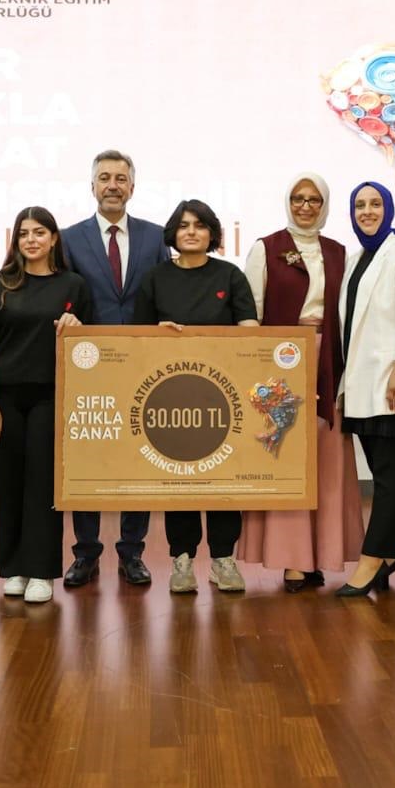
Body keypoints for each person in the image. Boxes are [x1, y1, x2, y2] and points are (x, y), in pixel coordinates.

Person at [238, 173, 363, 591]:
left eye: (313, 200)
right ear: (288, 202)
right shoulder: (266, 248)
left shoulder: (339, 252)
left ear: (324, 205)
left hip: (329, 361)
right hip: (281, 363)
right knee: (287, 453)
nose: (305, 206)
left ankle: (322, 554)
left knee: (326, 457)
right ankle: (292, 559)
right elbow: (251, 313)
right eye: (297, 198)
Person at [133, 199, 259, 594]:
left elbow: (251, 331)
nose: (191, 232)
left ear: (212, 233)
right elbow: (137, 338)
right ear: (173, 232)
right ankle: (182, 560)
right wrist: (157, 334)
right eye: (184, 225)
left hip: (224, 399)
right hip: (171, 398)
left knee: (224, 479)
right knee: (181, 479)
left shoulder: (230, 275)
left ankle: (223, 560)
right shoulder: (155, 278)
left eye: (200, 225)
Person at [59, 151, 170, 587]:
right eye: (104, 178)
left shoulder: (155, 237)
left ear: (132, 187)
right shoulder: (69, 239)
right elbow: (64, 295)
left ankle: (132, 552)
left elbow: (163, 293)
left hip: (143, 364)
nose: (112, 185)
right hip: (88, 366)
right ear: (92, 186)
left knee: (138, 457)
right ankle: (85, 552)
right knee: (88, 458)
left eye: (120, 179)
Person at [0, 207, 92, 605]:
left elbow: (91, 347)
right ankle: (14, 568)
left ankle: (41, 570)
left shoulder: (74, 285)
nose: (31, 240)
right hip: (5, 398)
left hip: (51, 397)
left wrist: (79, 328)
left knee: (43, 484)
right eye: (24, 233)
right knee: (9, 483)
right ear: (16, 240)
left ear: (54, 238)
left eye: (39, 232)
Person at [334, 183, 395, 598]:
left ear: (388, 209)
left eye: (375, 204)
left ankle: (372, 558)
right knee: (382, 474)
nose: (367, 211)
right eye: (360, 205)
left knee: (389, 477)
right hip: (363, 386)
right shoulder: (356, 259)